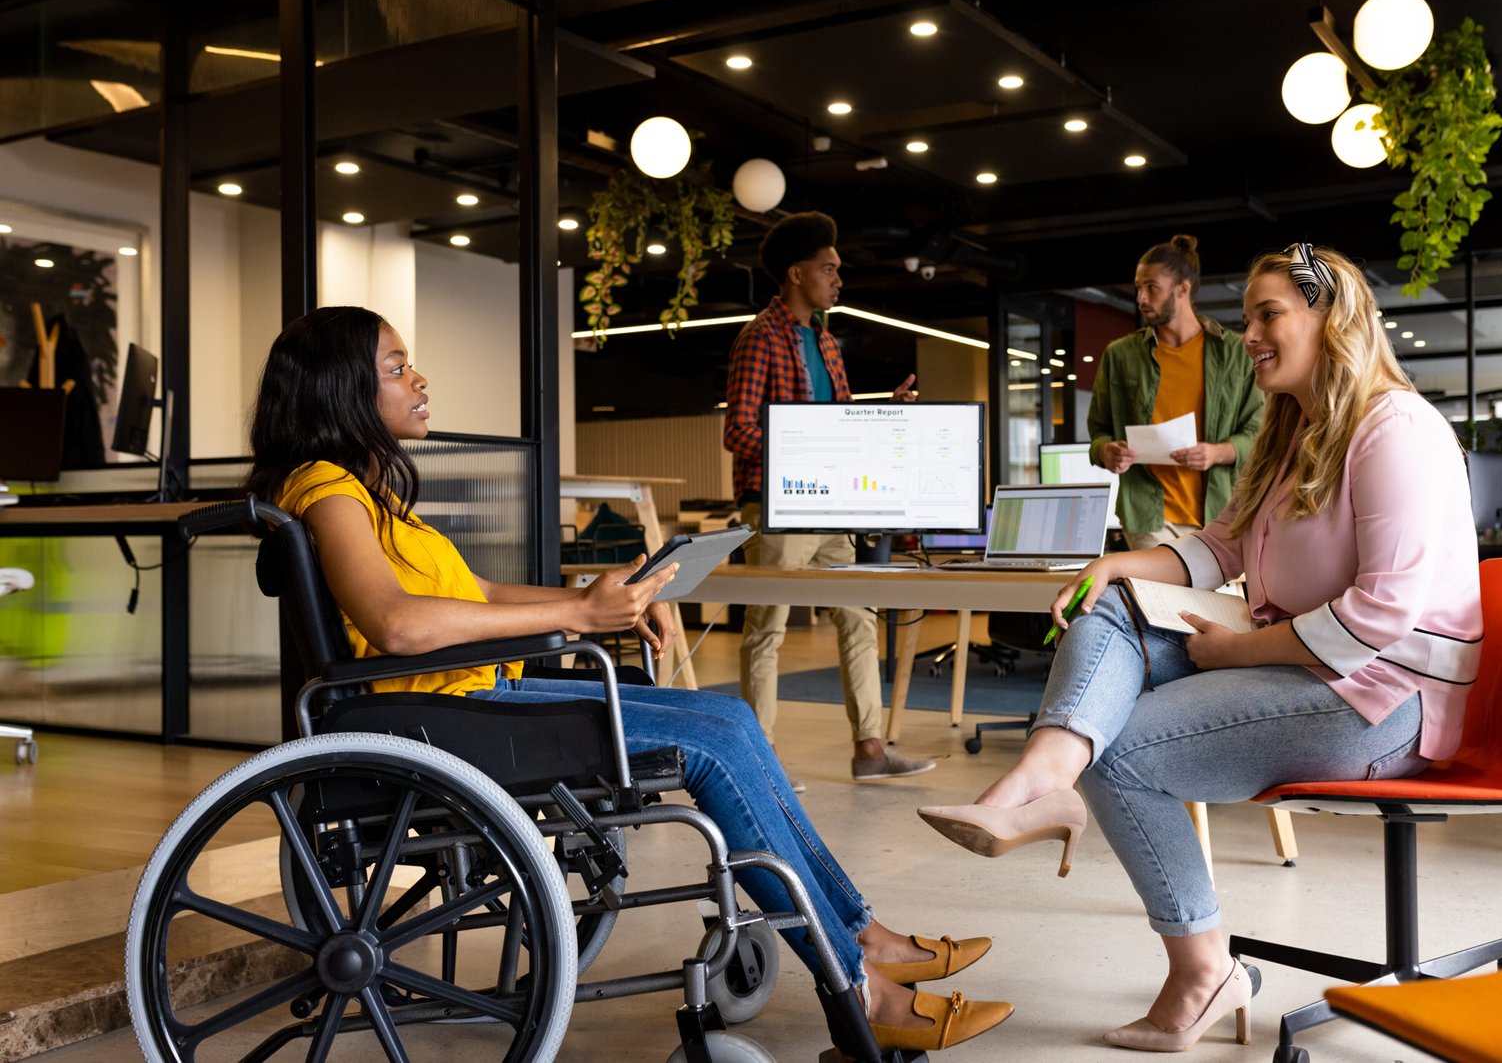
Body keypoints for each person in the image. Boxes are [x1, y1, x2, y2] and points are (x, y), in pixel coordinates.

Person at [242, 306, 1011, 1053]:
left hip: (465, 703)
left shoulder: (367, 497)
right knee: (711, 749)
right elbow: (399, 626)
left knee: (733, 719)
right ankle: (863, 989)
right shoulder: (327, 489)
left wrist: (604, 602)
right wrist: (578, 610)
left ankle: (864, 936)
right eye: (397, 365)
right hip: (443, 719)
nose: (419, 379)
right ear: (342, 388)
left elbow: (472, 596)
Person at [918, 244, 1481, 1052]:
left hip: (1381, 700)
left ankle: (1201, 969)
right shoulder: (1293, 432)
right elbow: (1218, 549)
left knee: (1122, 751)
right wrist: (1111, 562)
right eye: (1246, 314)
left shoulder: (1396, 428)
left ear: (1331, 317)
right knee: (1108, 606)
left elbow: (1381, 618)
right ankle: (1043, 775)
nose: (1247, 333)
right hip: (1302, 661)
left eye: (1268, 314)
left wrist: (1237, 653)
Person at [723, 211, 935, 781]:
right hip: (776, 506)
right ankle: (759, 761)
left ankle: (870, 750)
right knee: (767, 629)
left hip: (827, 506)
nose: (838, 279)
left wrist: (880, 414)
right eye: (828, 269)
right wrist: (805, 446)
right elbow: (737, 432)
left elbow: (839, 428)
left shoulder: (826, 343)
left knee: (857, 617)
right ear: (796, 274)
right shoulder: (759, 338)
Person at [1088, 234, 1263, 551]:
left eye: (1151, 287)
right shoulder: (1120, 355)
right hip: (1148, 516)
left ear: (1182, 289)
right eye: (1138, 287)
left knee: (1221, 602)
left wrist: (1215, 452)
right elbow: (1098, 431)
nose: (1141, 297)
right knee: (1164, 601)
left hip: (1220, 513)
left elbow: (1259, 432)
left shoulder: (1236, 353)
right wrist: (1106, 451)